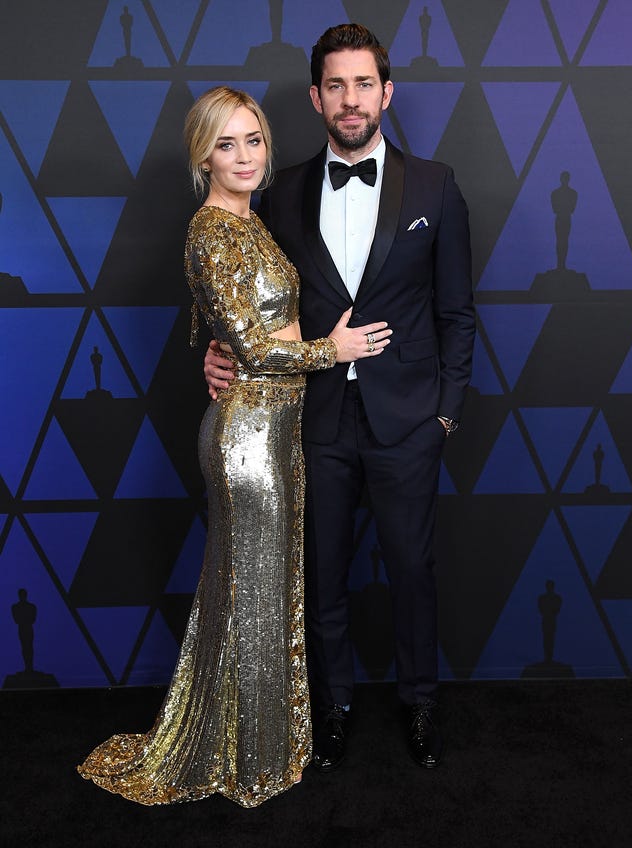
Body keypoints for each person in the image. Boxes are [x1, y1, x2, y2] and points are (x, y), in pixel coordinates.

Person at [77, 86, 391, 808]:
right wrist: (329, 348)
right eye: (227, 143)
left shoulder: (250, 226)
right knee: (253, 594)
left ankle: (258, 744)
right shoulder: (211, 229)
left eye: (253, 140)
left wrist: (212, 347)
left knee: (262, 592)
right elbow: (253, 343)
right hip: (248, 438)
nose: (244, 156)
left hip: (277, 430)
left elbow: (220, 322)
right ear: (202, 155)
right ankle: (248, 761)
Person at [206, 24, 475, 773]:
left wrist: (444, 411)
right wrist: (217, 348)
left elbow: (457, 310)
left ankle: (419, 703)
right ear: (316, 96)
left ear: (385, 93)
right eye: (336, 85)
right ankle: (333, 707)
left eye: (364, 84)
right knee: (322, 574)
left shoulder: (436, 186)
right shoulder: (280, 189)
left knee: (412, 568)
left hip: (408, 419)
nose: (350, 100)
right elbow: (244, 297)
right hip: (312, 416)